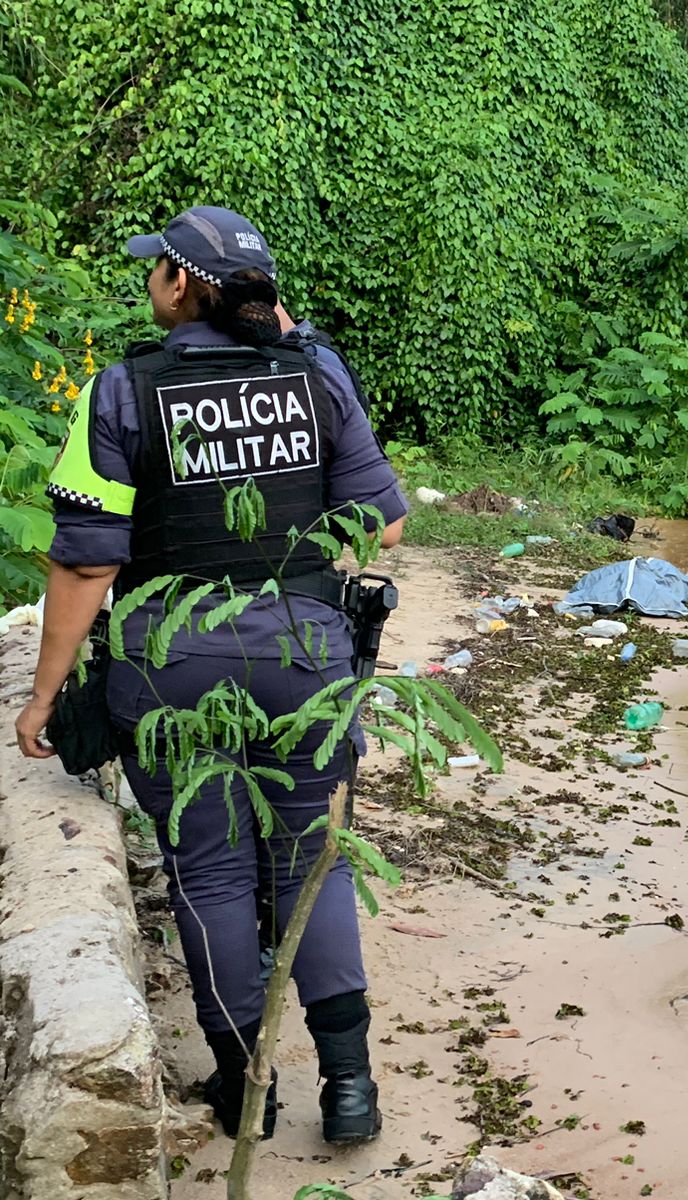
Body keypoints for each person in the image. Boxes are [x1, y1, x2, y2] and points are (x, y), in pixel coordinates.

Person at [13, 205, 407, 1145]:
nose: (149, 281)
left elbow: (86, 563)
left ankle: (246, 1091)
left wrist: (43, 696)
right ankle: (350, 1086)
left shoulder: (121, 391)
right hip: (305, 658)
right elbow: (383, 527)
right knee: (309, 859)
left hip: (170, 668)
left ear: (180, 284)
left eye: (156, 268)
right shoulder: (315, 374)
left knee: (212, 871)